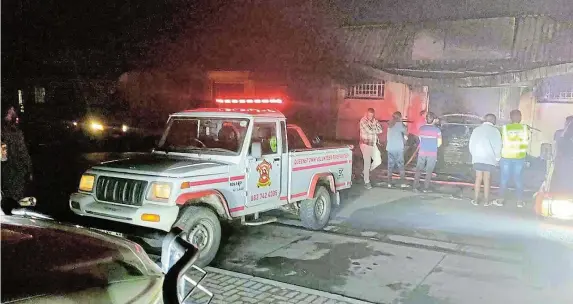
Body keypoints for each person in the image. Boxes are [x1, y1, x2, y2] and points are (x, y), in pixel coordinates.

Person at [1, 105, 33, 214]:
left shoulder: (17, 132)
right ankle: (8, 206)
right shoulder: (5, 131)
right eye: (10, 112)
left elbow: (22, 150)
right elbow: (3, 147)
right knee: (10, 187)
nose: (11, 114)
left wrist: (28, 166)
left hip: (16, 165)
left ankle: (11, 205)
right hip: (9, 165)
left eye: (13, 112)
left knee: (15, 187)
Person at [495, 109, 530, 208]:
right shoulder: (524, 128)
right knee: (518, 179)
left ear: (510, 118)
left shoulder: (505, 128)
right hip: (519, 157)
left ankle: (500, 200)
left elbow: (502, 140)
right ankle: (519, 201)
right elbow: (527, 140)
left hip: (506, 157)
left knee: (504, 179)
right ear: (520, 118)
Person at [468, 114, 502, 206]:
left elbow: (471, 145)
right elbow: (498, 146)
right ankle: (486, 201)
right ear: (493, 121)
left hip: (478, 157)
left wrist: (474, 155)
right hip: (490, 159)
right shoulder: (495, 131)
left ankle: (475, 200)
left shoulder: (476, 130)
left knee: (478, 178)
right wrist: (497, 158)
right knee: (487, 179)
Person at [413, 112, 441, 192]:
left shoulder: (421, 129)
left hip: (422, 151)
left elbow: (420, 139)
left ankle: (415, 186)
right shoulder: (437, 130)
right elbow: (439, 144)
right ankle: (426, 188)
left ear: (426, 119)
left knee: (418, 169)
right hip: (432, 152)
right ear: (434, 120)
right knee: (429, 170)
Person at [359, 108, 383, 189]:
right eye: (369, 115)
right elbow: (369, 131)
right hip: (365, 144)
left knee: (378, 161)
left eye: (372, 115)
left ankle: (364, 173)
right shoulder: (363, 121)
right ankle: (366, 182)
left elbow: (380, 130)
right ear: (366, 114)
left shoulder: (374, 120)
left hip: (373, 144)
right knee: (367, 163)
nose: (371, 117)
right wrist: (374, 126)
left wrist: (374, 127)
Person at [386, 111, 408, 188]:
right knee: (401, 166)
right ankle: (402, 182)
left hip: (390, 147)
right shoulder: (400, 125)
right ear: (399, 117)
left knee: (390, 166)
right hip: (398, 148)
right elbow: (406, 134)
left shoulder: (389, 124)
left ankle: (389, 183)